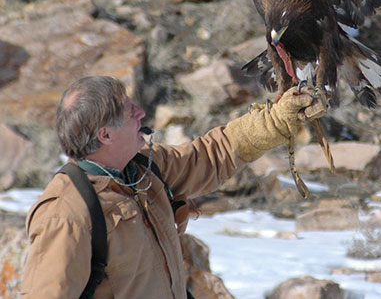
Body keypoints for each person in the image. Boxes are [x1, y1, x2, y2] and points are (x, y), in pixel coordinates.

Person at [21, 75, 326, 299]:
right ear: (105, 135)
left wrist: (274, 121)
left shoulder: (144, 168)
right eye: (130, 112)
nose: (141, 113)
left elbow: (209, 156)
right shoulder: (65, 214)